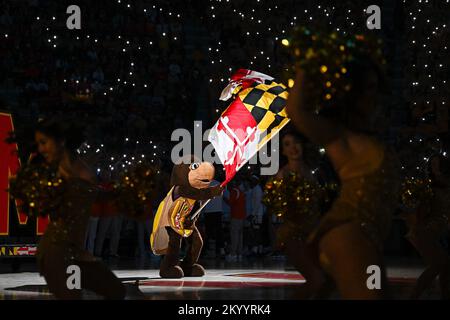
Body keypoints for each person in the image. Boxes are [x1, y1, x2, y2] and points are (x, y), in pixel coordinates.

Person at [286, 42, 400, 299]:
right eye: (368, 87)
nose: (375, 95)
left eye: (376, 87)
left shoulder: (368, 135)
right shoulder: (338, 134)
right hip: (348, 232)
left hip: (367, 235)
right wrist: (307, 61)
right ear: (351, 91)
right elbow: (295, 110)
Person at [33, 118, 128, 299]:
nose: (41, 149)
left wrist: (120, 192)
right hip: (57, 251)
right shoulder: (56, 172)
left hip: (76, 252)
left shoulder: (79, 170)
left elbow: (96, 193)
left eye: (44, 142)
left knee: (117, 291)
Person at [267, 130, 327, 298]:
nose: (293, 147)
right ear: (283, 151)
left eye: (296, 142)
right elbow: (277, 206)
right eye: (287, 144)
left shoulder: (311, 172)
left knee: (324, 282)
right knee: (316, 279)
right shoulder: (283, 175)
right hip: (295, 236)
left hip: (315, 234)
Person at [401, 155, 450, 299]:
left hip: (442, 231)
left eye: (438, 164)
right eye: (433, 164)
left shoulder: (445, 184)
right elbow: (417, 212)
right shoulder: (427, 187)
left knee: (446, 266)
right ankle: (413, 295)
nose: (436, 167)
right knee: (439, 264)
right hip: (427, 231)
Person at [201, 179, 226, 258]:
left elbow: (202, 199)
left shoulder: (204, 185)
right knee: (219, 231)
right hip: (217, 210)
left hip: (209, 211)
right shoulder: (219, 183)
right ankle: (220, 250)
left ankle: (208, 251)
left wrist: (201, 212)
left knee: (208, 232)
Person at [224, 180, 246, 262]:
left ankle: (233, 254)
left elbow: (230, 202)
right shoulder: (241, 191)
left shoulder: (234, 191)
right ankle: (239, 254)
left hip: (235, 216)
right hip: (241, 216)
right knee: (240, 236)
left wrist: (223, 198)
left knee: (234, 236)